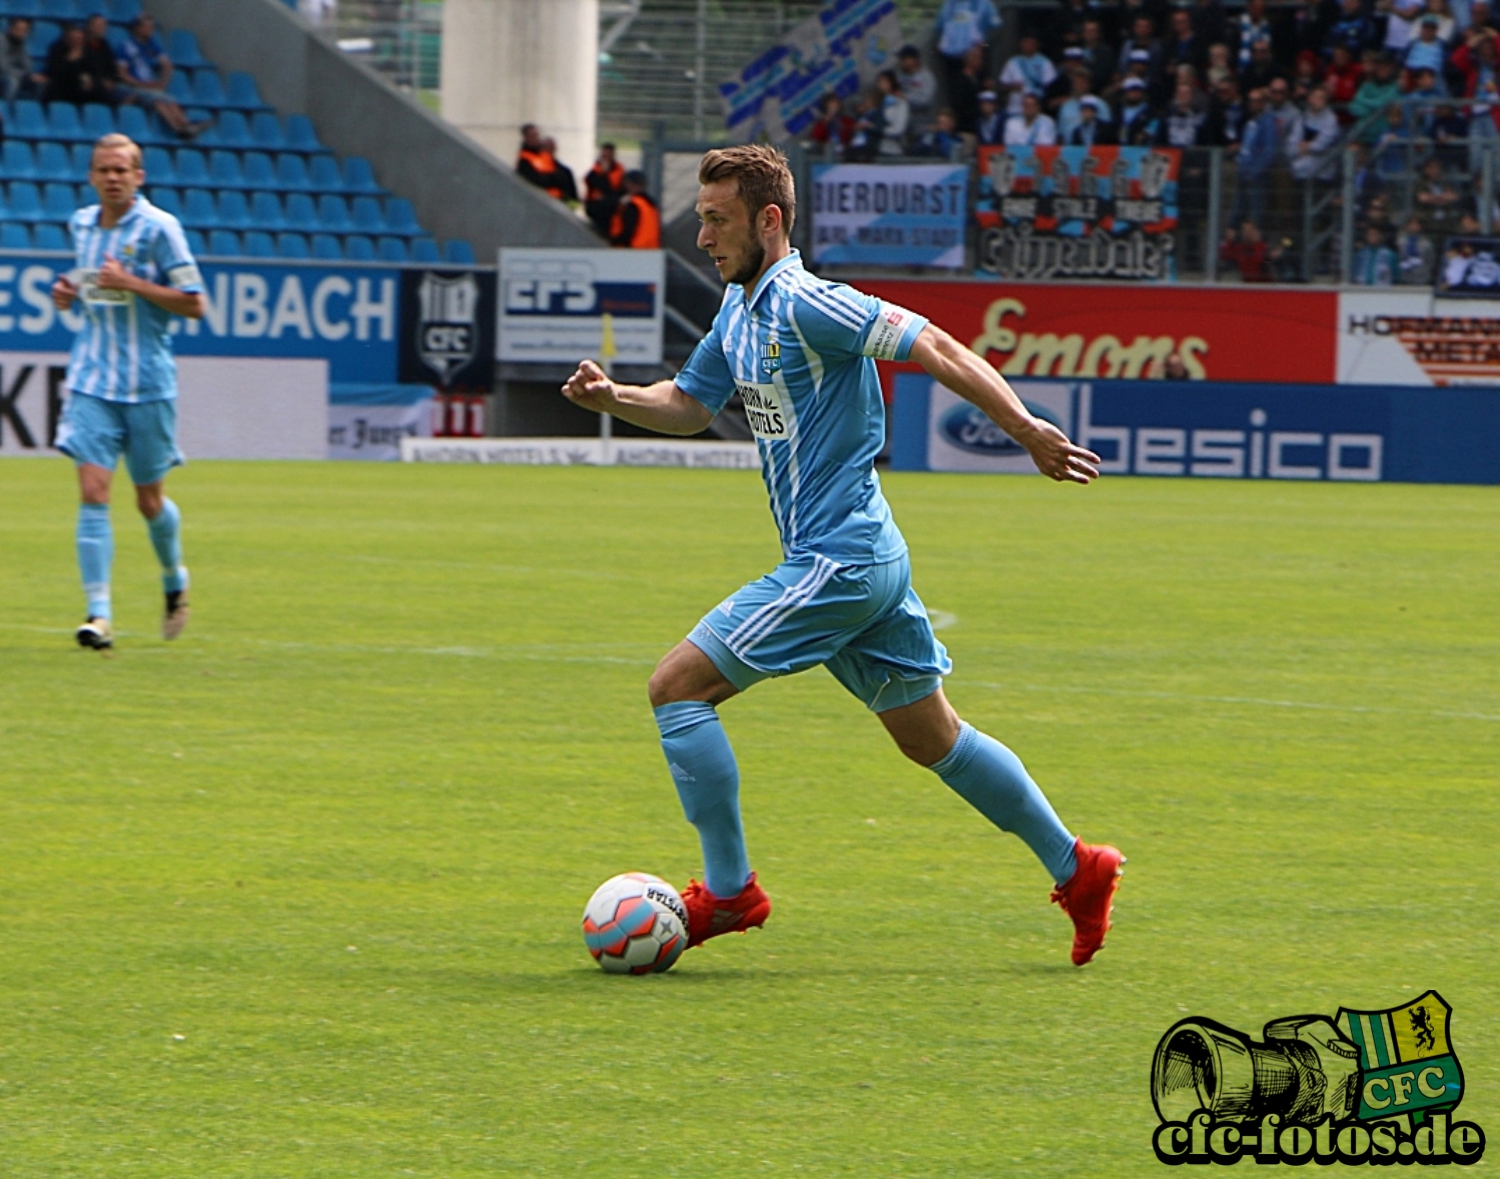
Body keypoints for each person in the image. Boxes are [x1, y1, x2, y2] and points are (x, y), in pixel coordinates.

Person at [559, 144, 1122, 966]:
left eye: (716, 220)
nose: (703, 237)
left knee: (677, 687)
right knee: (934, 738)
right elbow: (688, 404)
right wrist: (616, 398)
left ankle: (726, 892)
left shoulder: (812, 304)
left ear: (770, 219)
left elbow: (941, 350)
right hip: (865, 555)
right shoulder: (739, 311)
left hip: (839, 560)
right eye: (701, 218)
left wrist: (1027, 427)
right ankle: (1079, 867)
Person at [50, 133, 205, 651]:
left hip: (148, 385)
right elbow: (93, 284)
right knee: (93, 492)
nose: (112, 177)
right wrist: (70, 292)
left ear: (139, 176)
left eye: (122, 170)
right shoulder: (80, 225)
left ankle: (173, 576)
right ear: (92, 176)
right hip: (92, 380)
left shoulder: (162, 229)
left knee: (148, 501)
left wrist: (135, 284)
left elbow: (194, 304)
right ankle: (99, 616)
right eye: (103, 170)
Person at [116, 14, 205, 139]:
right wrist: (140, 84)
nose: (151, 30)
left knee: (169, 99)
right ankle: (179, 129)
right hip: (132, 87)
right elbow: (122, 74)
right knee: (158, 101)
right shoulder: (125, 47)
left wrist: (162, 83)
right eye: (148, 27)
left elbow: (168, 65)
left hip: (149, 86)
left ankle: (186, 123)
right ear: (138, 28)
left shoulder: (152, 44)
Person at [608, 170, 660, 248]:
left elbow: (629, 230)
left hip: (632, 252)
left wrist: (615, 240)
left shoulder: (634, 205)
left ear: (631, 184)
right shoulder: (651, 206)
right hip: (650, 252)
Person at [584, 143, 625, 238]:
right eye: (604, 156)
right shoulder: (594, 171)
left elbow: (620, 190)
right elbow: (593, 185)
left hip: (613, 205)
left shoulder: (619, 170)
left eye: (609, 155)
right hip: (597, 207)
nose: (606, 159)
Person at [515, 125, 567, 200]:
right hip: (540, 200)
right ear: (526, 138)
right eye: (533, 135)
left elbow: (561, 175)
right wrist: (554, 178)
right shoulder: (524, 158)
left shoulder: (544, 154)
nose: (536, 138)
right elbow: (534, 180)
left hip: (557, 198)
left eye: (537, 135)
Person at [1, 16, 45, 101]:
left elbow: (28, 65)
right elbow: (3, 66)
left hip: (17, 75)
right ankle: (9, 109)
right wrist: (23, 74)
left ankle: (31, 109)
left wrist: (31, 76)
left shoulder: (21, 43)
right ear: (11, 28)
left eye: (25, 30)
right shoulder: (1, 40)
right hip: (3, 76)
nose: (21, 33)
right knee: (13, 81)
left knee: (39, 83)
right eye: (19, 29)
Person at [895, 44, 938, 114]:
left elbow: (926, 100)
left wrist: (905, 97)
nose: (901, 62)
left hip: (923, 117)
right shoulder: (899, 76)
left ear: (914, 60)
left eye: (904, 58)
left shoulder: (926, 77)